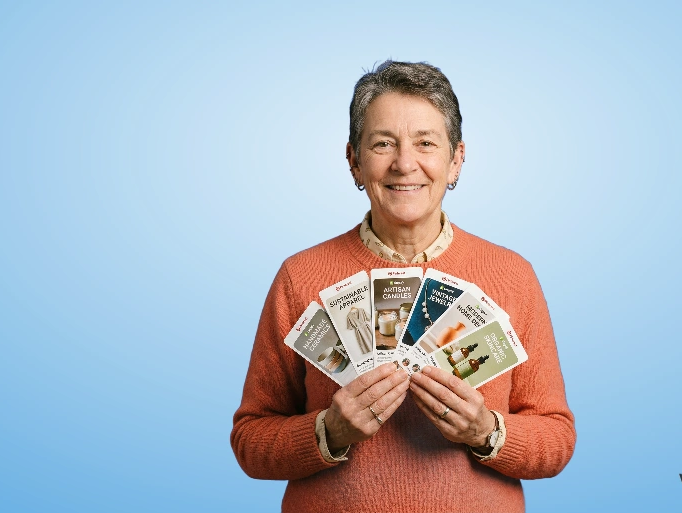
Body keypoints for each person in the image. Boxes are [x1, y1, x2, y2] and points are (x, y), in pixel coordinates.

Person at [231, 60, 576, 513]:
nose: (404, 164)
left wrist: (488, 431)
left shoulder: (512, 275)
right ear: (354, 161)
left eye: (426, 143)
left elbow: (557, 438)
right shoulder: (300, 277)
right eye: (383, 144)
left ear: (456, 160)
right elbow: (250, 440)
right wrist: (327, 432)